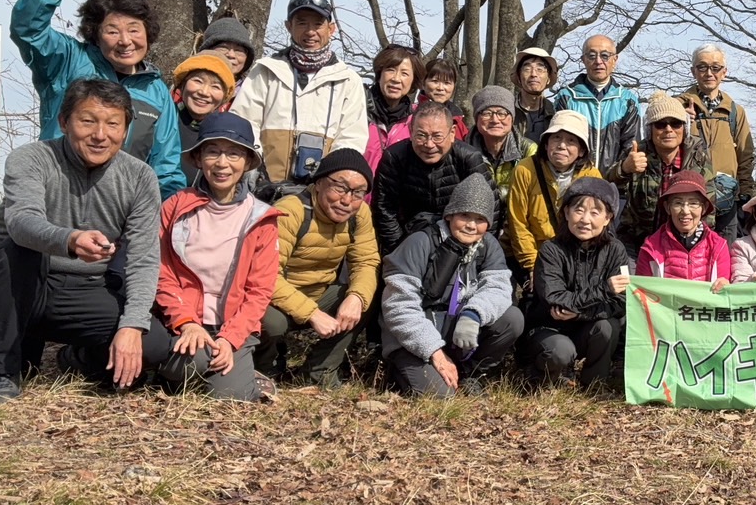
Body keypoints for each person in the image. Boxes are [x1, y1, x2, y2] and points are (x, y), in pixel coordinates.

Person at [0, 79, 166, 403]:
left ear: (126, 130)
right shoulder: (31, 158)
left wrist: (132, 325)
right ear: (63, 122)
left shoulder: (140, 177)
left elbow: (143, 258)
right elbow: (21, 223)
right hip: (10, 285)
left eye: (113, 124)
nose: (100, 134)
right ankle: (2, 373)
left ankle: (76, 358)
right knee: (16, 252)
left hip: (84, 290)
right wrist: (70, 240)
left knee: (153, 345)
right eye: (88, 121)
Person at [10, 0, 184, 200]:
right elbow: (28, 31)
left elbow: (166, 168)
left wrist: (165, 214)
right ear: (95, 34)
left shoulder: (156, 92)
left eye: (134, 30)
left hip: (119, 210)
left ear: (148, 33)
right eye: (112, 31)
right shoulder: (68, 60)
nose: (125, 41)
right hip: (57, 199)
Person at [154, 114, 281, 402]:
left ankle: (241, 372)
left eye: (234, 154)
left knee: (231, 397)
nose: (222, 163)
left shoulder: (261, 218)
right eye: (213, 152)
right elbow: (162, 272)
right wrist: (186, 321)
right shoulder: (175, 207)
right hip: (184, 321)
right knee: (194, 363)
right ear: (199, 159)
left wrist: (230, 338)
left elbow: (259, 291)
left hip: (230, 325)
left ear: (247, 162)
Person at [381, 174, 524, 397]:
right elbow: (399, 307)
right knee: (442, 396)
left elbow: (499, 288)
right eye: (464, 215)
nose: (471, 225)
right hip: (413, 336)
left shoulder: (488, 245)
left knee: (512, 319)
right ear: (450, 215)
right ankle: (400, 370)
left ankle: (470, 373)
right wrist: (435, 352)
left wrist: (473, 314)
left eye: (480, 219)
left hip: (456, 330)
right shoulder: (420, 242)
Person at [259, 149, 381, 388]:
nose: (347, 200)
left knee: (365, 297)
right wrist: (311, 314)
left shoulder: (359, 214)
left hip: (319, 293)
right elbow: (267, 276)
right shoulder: (290, 211)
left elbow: (366, 261)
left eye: (358, 192)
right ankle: (266, 368)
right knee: (271, 322)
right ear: (319, 183)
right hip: (276, 299)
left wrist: (356, 297)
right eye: (340, 187)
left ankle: (319, 372)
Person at [230, 0, 367, 186]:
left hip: (322, 190)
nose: (310, 32)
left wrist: (329, 180)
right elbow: (244, 122)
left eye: (318, 24)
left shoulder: (348, 80)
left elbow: (352, 138)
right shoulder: (266, 70)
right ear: (289, 26)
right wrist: (255, 168)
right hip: (263, 186)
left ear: (331, 29)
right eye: (302, 23)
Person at [522, 177, 631, 389]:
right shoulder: (551, 249)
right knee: (560, 350)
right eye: (578, 210)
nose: (585, 219)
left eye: (595, 212)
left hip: (586, 327)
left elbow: (621, 302)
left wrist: (581, 314)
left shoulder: (616, 250)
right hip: (549, 327)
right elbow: (556, 300)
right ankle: (541, 377)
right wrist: (604, 289)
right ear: (566, 212)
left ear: (608, 218)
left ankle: (594, 385)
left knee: (607, 327)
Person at [373, 101, 492, 256]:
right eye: (421, 135)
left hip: (459, 240)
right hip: (407, 239)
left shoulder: (468, 158)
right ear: (411, 132)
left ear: (452, 133)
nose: (429, 144)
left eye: (437, 136)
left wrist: (474, 251)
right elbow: (384, 209)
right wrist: (399, 251)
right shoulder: (395, 157)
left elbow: (489, 209)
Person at [507, 110, 605, 279]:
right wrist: (533, 266)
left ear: (581, 150)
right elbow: (518, 223)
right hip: (534, 254)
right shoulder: (525, 170)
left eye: (571, 141)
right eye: (556, 138)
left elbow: (596, 223)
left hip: (574, 258)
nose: (562, 145)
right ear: (546, 144)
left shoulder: (592, 175)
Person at [677, 44, 756, 241]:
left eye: (715, 67)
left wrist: (745, 193)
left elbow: (745, 155)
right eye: (702, 67)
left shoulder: (735, 111)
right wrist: (682, 121)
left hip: (726, 198)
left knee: (725, 252)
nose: (709, 73)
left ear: (724, 72)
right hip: (688, 199)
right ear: (693, 71)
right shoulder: (678, 106)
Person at [616, 92, 712, 251]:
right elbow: (608, 189)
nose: (668, 130)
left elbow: (709, 207)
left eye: (676, 124)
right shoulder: (636, 153)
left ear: (685, 128)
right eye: (660, 124)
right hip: (638, 243)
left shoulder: (699, 156)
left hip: (685, 245)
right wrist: (624, 169)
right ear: (649, 130)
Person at [554, 34, 640, 177]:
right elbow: (560, 144)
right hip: (574, 181)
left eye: (605, 56)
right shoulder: (567, 97)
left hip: (616, 184)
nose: (598, 61)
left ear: (615, 59)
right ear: (583, 60)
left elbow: (630, 146)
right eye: (592, 56)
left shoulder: (628, 100)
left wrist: (616, 176)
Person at [465, 86, 537, 251]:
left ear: (512, 118)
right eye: (487, 113)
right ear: (476, 118)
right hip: (473, 233)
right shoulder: (463, 150)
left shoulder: (529, 151)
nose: (495, 120)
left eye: (502, 113)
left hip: (516, 236)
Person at [636, 171, 731, 289]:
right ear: (667, 207)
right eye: (678, 203)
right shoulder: (651, 248)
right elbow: (642, 292)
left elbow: (724, 292)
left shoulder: (719, 246)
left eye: (693, 203)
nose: (685, 211)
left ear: (704, 208)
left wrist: (725, 286)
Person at [170, 54, 237, 187]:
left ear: (224, 97)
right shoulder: (162, 119)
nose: (204, 92)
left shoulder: (225, 134)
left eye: (216, 86)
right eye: (198, 81)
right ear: (182, 85)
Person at [364, 44, 423, 179]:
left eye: (404, 73)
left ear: (413, 81)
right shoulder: (358, 109)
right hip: (356, 191)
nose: (396, 79)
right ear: (379, 74)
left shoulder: (416, 120)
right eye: (391, 70)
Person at [513, 47, 560, 144]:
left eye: (540, 69)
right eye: (527, 69)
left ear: (548, 78)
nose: (533, 74)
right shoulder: (507, 111)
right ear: (518, 77)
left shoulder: (556, 114)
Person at [416, 57, 469, 139]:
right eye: (435, 81)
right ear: (423, 83)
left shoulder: (457, 119)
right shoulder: (411, 114)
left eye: (447, 83)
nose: (440, 88)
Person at [198, 17, 256, 85]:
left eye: (238, 50)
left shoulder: (252, 90)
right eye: (223, 48)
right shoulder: (190, 85)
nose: (231, 55)